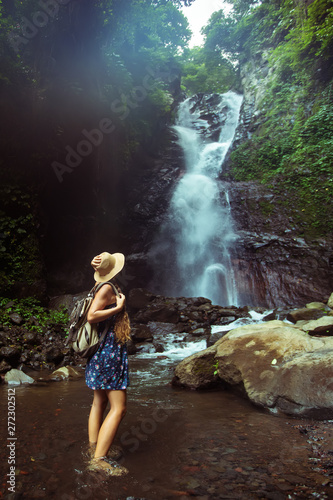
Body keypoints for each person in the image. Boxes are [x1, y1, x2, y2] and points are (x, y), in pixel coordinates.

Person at [85, 251, 130, 476]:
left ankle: (94, 447)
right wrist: (118, 308)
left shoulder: (99, 286)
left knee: (99, 403)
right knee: (119, 408)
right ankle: (99, 460)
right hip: (109, 354)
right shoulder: (107, 289)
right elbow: (92, 316)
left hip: (101, 353)